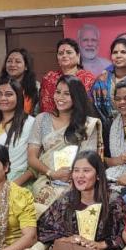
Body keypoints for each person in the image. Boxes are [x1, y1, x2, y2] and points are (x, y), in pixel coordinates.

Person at [27, 75, 102, 206]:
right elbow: (32, 158)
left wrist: (72, 176)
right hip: (47, 180)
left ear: (76, 97)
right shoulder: (42, 119)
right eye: (58, 92)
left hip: (77, 181)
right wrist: (52, 173)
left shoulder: (87, 125)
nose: (60, 97)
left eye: (67, 94)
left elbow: (89, 160)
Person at [0, 78, 35, 186]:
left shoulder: (30, 122)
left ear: (18, 97)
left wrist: (11, 187)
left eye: (9, 94)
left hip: (17, 183)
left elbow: (33, 165)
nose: (3, 98)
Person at [90, 36, 126, 126]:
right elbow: (94, 109)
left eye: (123, 52)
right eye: (115, 52)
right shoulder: (101, 80)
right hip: (106, 129)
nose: (118, 55)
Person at [39, 38, 95, 114]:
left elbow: (89, 105)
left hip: (80, 120)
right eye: (61, 53)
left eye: (69, 52)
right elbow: (46, 106)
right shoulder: (49, 78)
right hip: (53, 120)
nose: (64, 55)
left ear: (78, 56)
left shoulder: (88, 78)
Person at [0, 48, 39, 115]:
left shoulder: (36, 86)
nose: (12, 65)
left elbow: (37, 112)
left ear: (26, 66)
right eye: (9, 61)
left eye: (17, 61)